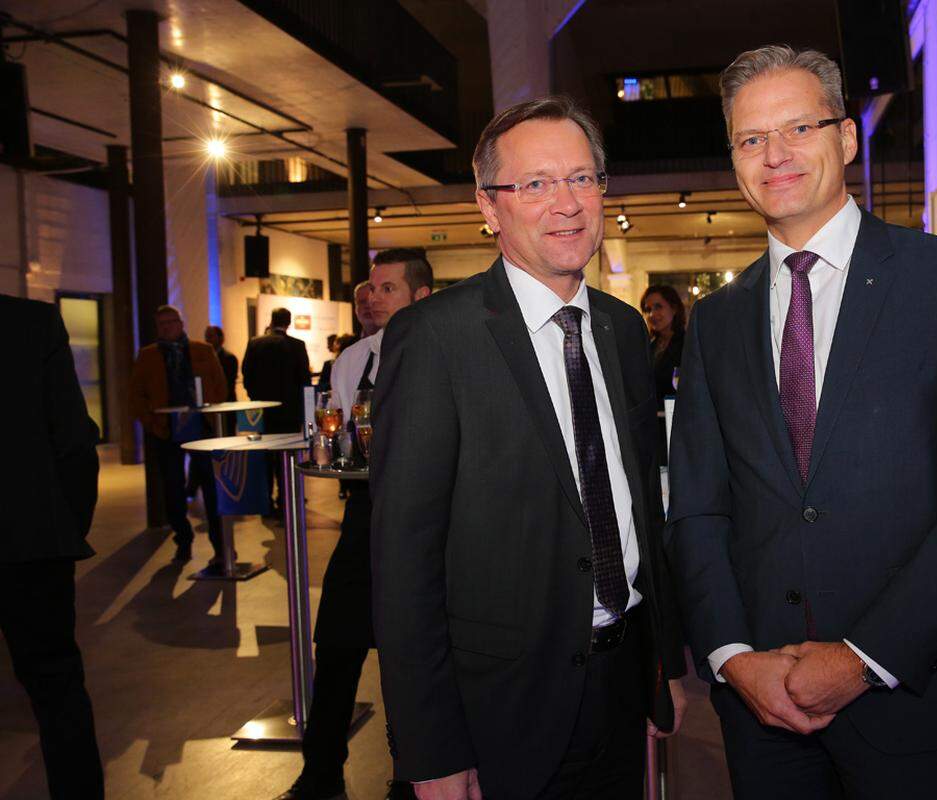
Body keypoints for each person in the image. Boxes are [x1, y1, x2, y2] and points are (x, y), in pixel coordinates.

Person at [666, 47, 937, 800]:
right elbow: (698, 510)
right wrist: (733, 657)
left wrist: (862, 659)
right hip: (762, 709)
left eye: (799, 126)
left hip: (915, 702)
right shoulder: (716, 323)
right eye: (751, 138)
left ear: (846, 138)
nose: (776, 155)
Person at [371, 96, 687, 800]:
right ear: (489, 207)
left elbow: (639, 509)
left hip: (622, 685)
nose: (567, 202)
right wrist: (431, 750)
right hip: (502, 712)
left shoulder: (621, 330)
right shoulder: (434, 340)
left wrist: (663, 665)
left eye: (582, 178)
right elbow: (404, 565)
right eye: (536, 183)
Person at [275, 248, 433, 800]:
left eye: (389, 288)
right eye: (373, 287)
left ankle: (410, 778)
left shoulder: (446, 355)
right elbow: (340, 440)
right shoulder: (353, 360)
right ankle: (320, 773)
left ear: (422, 296)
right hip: (364, 517)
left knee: (408, 659)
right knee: (338, 647)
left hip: (429, 525)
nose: (374, 297)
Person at [0, 295, 104, 799]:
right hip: (32, 542)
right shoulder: (32, 322)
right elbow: (73, 442)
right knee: (58, 689)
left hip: (35, 539)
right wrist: (65, 527)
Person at [130, 305, 228, 565]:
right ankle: (183, 541)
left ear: (180, 323)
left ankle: (220, 546)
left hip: (203, 427)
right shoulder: (147, 355)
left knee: (211, 488)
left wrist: (210, 411)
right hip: (166, 429)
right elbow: (136, 394)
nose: (166, 327)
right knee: (173, 489)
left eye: (170, 322)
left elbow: (219, 385)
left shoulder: (203, 351)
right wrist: (151, 422)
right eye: (161, 324)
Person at [242, 307, 311, 510]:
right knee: (287, 455)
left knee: (265, 456)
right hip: (289, 412)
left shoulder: (255, 343)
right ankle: (285, 498)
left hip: (262, 411)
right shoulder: (297, 346)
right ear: (288, 322)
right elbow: (304, 380)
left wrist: (256, 398)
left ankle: (265, 499)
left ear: (271, 321)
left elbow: (247, 375)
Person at [640, 285, 687, 407]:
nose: (652, 314)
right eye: (648, 309)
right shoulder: (650, 346)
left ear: (674, 308)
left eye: (658, 307)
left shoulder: (687, 343)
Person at [205, 325, 239, 402]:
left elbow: (229, 385)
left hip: (226, 402)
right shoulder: (204, 360)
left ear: (220, 338)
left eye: (210, 336)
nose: (207, 340)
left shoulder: (229, 358)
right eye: (206, 337)